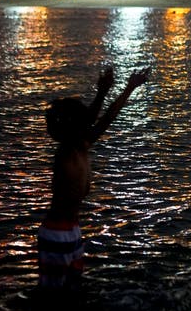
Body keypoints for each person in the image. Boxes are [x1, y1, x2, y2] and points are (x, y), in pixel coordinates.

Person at [38, 65, 150, 289]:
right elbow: (95, 119)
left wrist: (123, 89)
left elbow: (103, 119)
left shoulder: (79, 145)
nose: (89, 120)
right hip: (57, 233)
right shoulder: (67, 153)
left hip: (71, 229)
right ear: (75, 126)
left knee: (72, 291)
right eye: (83, 119)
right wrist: (106, 91)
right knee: (52, 298)